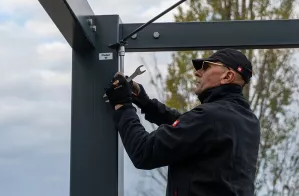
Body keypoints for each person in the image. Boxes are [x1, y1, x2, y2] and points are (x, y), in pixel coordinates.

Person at [104, 48, 261, 196]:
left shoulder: (210, 117)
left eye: (205, 67)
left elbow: (144, 151)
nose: (197, 72)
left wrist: (123, 105)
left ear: (227, 76)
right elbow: (190, 129)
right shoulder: (247, 120)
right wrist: (146, 104)